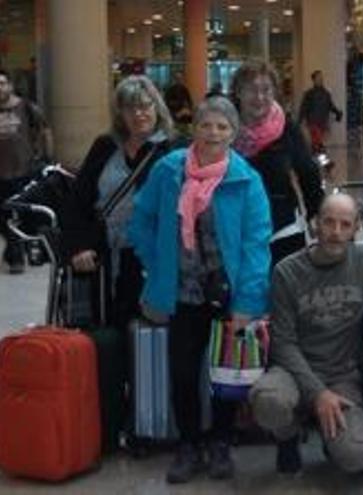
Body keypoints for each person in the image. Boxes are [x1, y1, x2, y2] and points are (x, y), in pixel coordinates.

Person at [129, 97, 271, 484]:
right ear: (195, 129)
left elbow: (257, 244)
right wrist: (154, 262)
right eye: (207, 125)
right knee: (183, 371)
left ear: (233, 134)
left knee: (228, 376)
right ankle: (189, 444)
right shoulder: (168, 170)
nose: (213, 133)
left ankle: (221, 442)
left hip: (229, 293)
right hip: (182, 291)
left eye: (222, 127)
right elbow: (141, 220)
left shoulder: (246, 180)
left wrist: (248, 301)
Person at [249, 193, 363, 475]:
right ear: (314, 224)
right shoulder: (287, 272)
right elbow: (283, 345)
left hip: (343, 376)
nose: (336, 233)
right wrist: (318, 393)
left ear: (355, 228)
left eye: (345, 225)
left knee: (354, 456)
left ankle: (330, 437)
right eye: (329, 223)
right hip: (294, 371)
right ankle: (287, 437)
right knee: (269, 402)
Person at [65, 75, 181, 331]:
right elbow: (78, 201)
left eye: (145, 105)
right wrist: (78, 246)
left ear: (157, 107)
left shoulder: (173, 150)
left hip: (148, 256)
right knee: (105, 328)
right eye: (130, 108)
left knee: (147, 331)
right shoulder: (105, 146)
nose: (139, 114)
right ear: (121, 114)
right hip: (102, 254)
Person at [231, 60, 324, 265]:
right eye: (251, 90)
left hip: (282, 227)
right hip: (235, 227)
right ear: (238, 92)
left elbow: (308, 173)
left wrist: (315, 213)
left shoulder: (286, 129)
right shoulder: (224, 129)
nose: (260, 97)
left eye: (266, 90)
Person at [0, 68, 52, 274]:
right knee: (3, 217)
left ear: (10, 86)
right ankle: (14, 248)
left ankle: (16, 257)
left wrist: (46, 157)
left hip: (22, 172)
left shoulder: (26, 107)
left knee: (18, 214)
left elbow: (45, 129)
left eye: (2, 83)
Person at [299, 70, 342, 153]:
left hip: (322, 122)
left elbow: (330, 105)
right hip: (313, 122)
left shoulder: (326, 93)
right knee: (319, 143)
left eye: (321, 77)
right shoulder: (309, 94)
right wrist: (300, 120)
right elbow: (303, 107)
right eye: (318, 77)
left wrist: (337, 112)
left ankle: (315, 160)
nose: (321, 79)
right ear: (314, 80)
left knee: (316, 143)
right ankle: (323, 161)